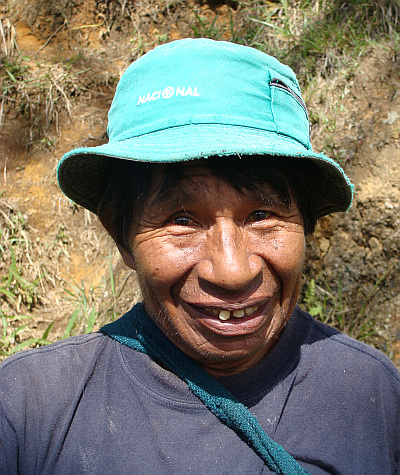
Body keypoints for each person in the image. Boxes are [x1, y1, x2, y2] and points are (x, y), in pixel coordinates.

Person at [0, 38, 399, 475]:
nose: (232, 271)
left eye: (263, 214)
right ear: (121, 232)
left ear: (305, 222)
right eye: (183, 219)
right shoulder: (26, 410)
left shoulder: (374, 395)